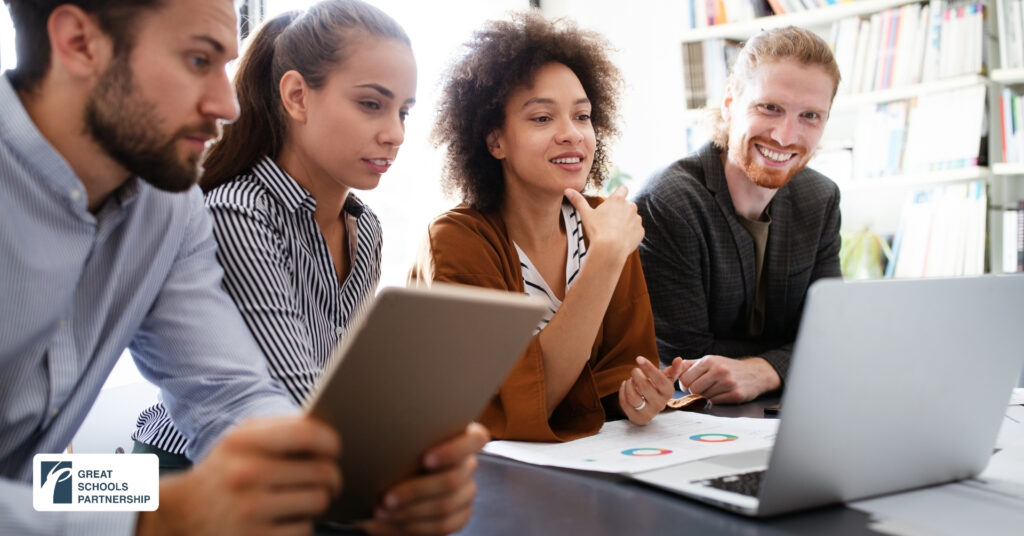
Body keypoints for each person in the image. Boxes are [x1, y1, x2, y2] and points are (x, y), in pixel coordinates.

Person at [0, 1, 483, 535]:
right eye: (198, 60)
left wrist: (371, 481)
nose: (228, 106)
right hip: (158, 469)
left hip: (78, 481)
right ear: (78, 42)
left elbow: (231, 393)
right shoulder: (233, 210)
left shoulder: (168, 208)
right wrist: (153, 516)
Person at [409, 12, 685, 442]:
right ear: (494, 140)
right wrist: (605, 258)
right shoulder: (456, 242)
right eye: (542, 119)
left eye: (582, 116)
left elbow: (620, 369)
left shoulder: (606, 222)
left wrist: (640, 398)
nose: (572, 135)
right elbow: (512, 408)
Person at [634, 26, 843, 405]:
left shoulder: (820, 198)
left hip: (790, 409)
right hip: (694, 420)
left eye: (810, 115)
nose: (785, 135)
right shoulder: (669, 201)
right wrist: (790, 356)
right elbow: (688, 362)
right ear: (730, 104)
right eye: (770, 108)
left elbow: (833, 334)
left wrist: (765, 370)